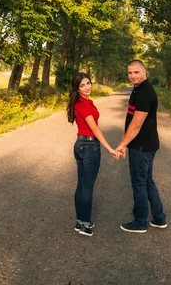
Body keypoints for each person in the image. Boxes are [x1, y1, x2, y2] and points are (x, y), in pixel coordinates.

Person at [116, 59, 167, 233]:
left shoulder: (145, 92)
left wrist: (122, 144)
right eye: (130, 72)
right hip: (144, 144)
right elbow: (130, 119)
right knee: (147, 181)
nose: (133, 76)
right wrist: (124, 142)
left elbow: (137, 124)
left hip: (142, 146)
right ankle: (159, 218)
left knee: (139, 183)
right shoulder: (137, 90)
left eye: (136, 72)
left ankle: (140, 222)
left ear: (145, 72)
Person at [67, 72, 120, 237]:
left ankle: (79, 221)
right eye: (82, 85)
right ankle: (85, 225)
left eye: (88, 83)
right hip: (89, 146)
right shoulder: (84, 105)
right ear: (77, 88)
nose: (87, 87)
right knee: (87, 186)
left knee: (81, 185)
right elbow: (95, 129)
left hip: (80, 145)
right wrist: (110, 148)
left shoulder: (80, 102)